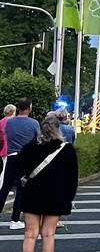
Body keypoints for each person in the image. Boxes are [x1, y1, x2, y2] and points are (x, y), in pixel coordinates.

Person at [19, 114, 77, 252]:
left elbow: (20, 172)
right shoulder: (67, 150)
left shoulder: (28, 148)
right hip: (55, 197)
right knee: (48, 234)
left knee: (30, 234)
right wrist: (67, 201)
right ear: (58, 129)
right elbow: (72, 179)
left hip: (32, 195)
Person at [0, 98, 40, 230]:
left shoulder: (9, 123)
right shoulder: (34, 123)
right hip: (26, 158)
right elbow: (38, 140)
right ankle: (15, 219)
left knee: (5, 187)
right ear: (29, 108)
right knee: (21, 190)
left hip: (11, 156)